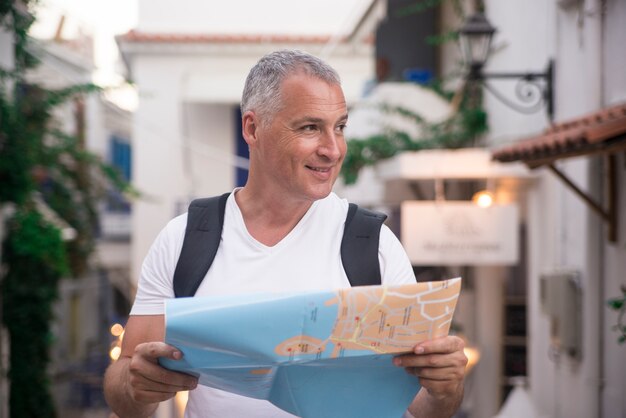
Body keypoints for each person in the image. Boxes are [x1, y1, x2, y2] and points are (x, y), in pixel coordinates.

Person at [103, 49, 467, 418]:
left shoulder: (373, 245)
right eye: (310, 128)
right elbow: (126, 384)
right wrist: (136, 386)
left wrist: (444, 391)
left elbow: (414, 410)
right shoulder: (185, 239)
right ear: (252, 128)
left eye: (339, 127)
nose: (333, 149)